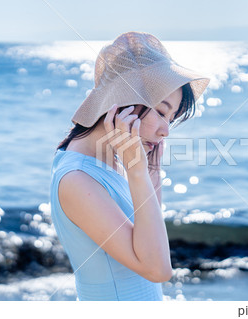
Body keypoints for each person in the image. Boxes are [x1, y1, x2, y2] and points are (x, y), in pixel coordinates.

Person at [49, 31, 210, 301]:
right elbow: (158, 269)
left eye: (171, 119)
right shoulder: (78, 179)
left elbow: (150, 237)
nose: (165, 131)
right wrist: (136, 171)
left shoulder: (107, 161)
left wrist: (150, 169)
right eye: (160, 112)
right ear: (122, 102)